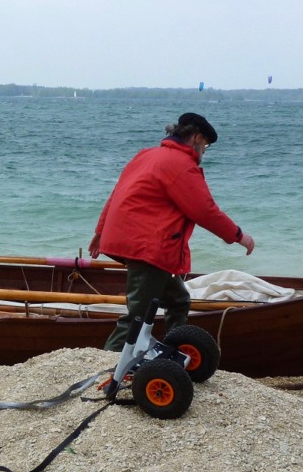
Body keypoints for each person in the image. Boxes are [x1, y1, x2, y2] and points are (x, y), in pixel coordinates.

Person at [89, 113, 256, 351]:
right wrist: (239, 236)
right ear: (196, 138)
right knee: (137, 315)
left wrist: (99, 232)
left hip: (138, 244)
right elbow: (205, 211)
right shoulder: (182, 165)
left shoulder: (146, 155)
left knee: (178, 301)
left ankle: (173, 351)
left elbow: (117, 193)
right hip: (147, 248)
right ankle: (109, 367)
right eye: (206, 145)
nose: (204, 152)